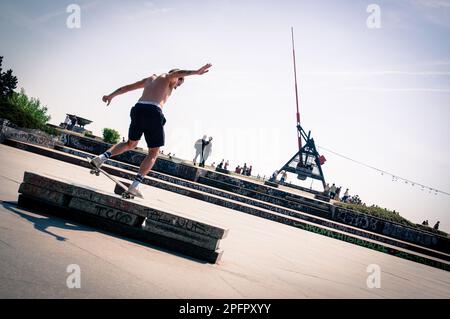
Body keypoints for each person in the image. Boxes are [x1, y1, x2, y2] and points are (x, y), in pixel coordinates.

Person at [90, 63, 212, 198]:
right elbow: (176, 74)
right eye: (178, 84)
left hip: (138, 109)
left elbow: (127, 88)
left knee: (131, 144)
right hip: (153, 111)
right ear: (178, 78)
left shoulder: (150, 79)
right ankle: (135, 185)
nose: (176, 87)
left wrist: (110, 96)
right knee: (154, 153)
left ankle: (101, 158)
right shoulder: (168, 77)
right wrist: (196, 72)